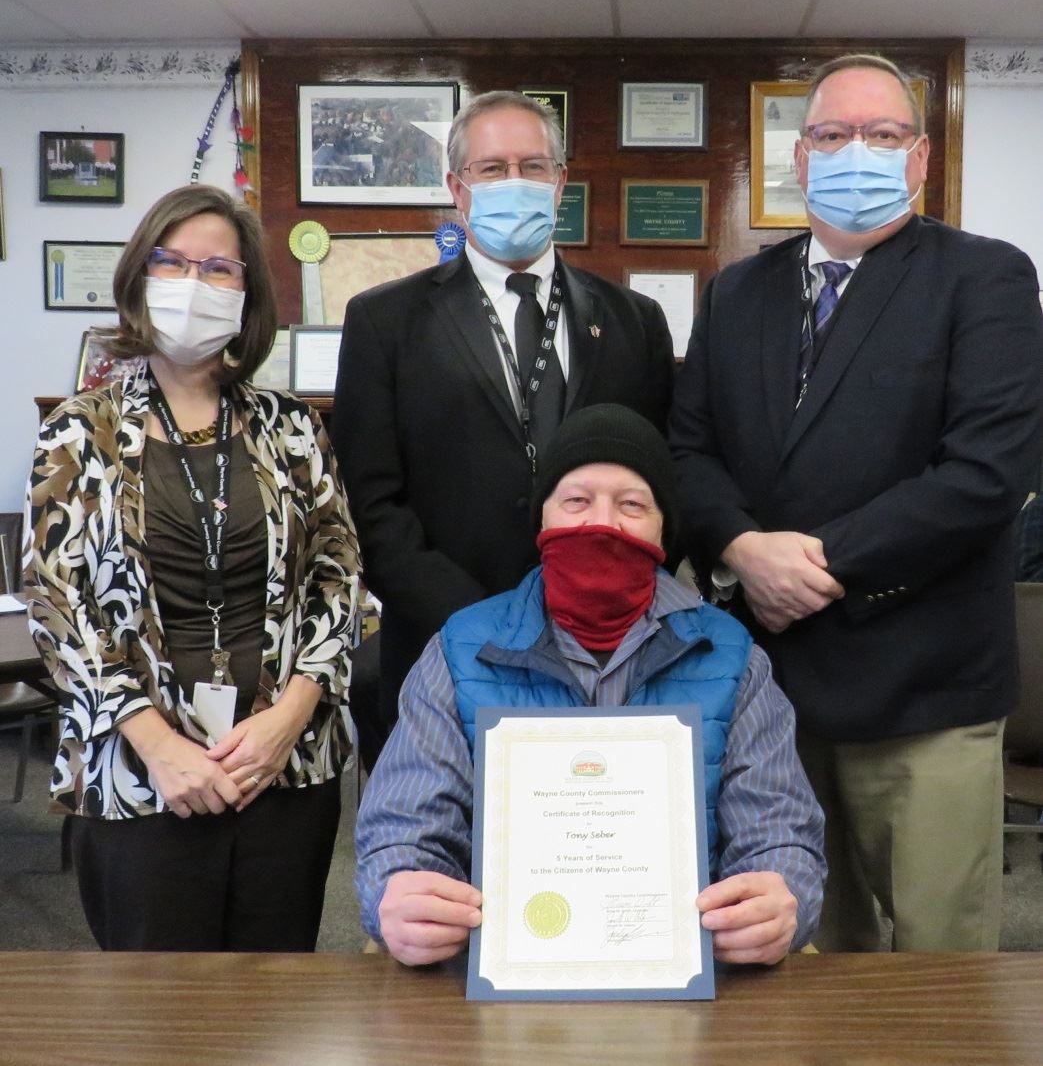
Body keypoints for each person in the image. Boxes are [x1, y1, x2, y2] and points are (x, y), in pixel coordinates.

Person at [669, 53, 1043, 952]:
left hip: (922, 687)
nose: (856, 153)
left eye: (881, 135)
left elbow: (986, 474)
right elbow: (687, 451)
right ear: (799, 159)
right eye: (834, 135)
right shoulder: (735, 294)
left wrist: (817, 563)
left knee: (936, 968)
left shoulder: (983, 278)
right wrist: (743, 549)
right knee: (793, 959)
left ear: (918, 159)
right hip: (771, 694)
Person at [356, 404, 826, 968]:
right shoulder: (460, 650)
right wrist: (400, 891)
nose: (602, 523)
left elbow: (778, 830)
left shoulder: (732, 657)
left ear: (662, 530)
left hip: (691, 974)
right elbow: (405, 826)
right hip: (499, 971)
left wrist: (781, 897)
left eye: (632, 504)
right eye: (576, 500)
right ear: (543, 522)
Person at [25, 184, 360, 952]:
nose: (193, 283)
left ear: (247, 295)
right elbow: (58, 603)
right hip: (143, 773)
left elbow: (338, 579)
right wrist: (160, 745)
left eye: (219, 269)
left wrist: (287, 719)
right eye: (172, 262)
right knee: (158, 1014)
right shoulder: (81, 432)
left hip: (282, 768)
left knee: (276, 1007)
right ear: (140, 277)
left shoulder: (290, 427)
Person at [331, 91, 675, 753]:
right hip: (445, 645)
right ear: (457, 188)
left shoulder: (635, 321)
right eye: (491, 169)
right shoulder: (385, 322)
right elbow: (370, 503)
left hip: (606, 650)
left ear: (560, 183)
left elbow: (661, 482)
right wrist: (485, 620)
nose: (514, 182)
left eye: (532, 165)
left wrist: (600, 606)